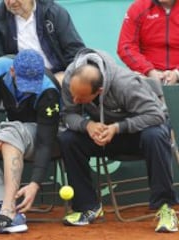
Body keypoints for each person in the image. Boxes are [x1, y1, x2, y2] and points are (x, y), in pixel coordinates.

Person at [59, 48, 179, 233]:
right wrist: (87, 125)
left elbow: (156, 116)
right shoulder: (70, 79)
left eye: (81, 98)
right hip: (100, 134)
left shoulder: (124, 83)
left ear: (99, 91)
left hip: (136, 134)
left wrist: (117, 128)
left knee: (154, 135)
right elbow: (68, 114)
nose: (75, 99)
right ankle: (87, 207)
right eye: (73, 94)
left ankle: (165, 208)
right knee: (68, 139)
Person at [0, 49, 61, 233]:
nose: (29, 88)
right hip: (12, 132)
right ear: (12, 71)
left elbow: (46, 142)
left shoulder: (49, 90)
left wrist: (35, 183)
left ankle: (9, 213)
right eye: (24, 82)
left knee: (11, 131)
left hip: (42, 136)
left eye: (34, 83)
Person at [0, 0, 85, 86]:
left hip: (58, 79)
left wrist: (67, 75)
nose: (11, 2)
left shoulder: (55, 12)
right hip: (19, 81)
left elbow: (75, 53)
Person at [117, 0, 179, 85]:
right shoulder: (139, 7)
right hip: (145, 75)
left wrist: (177, 73)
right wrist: (149, 71)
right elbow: (126, 47)